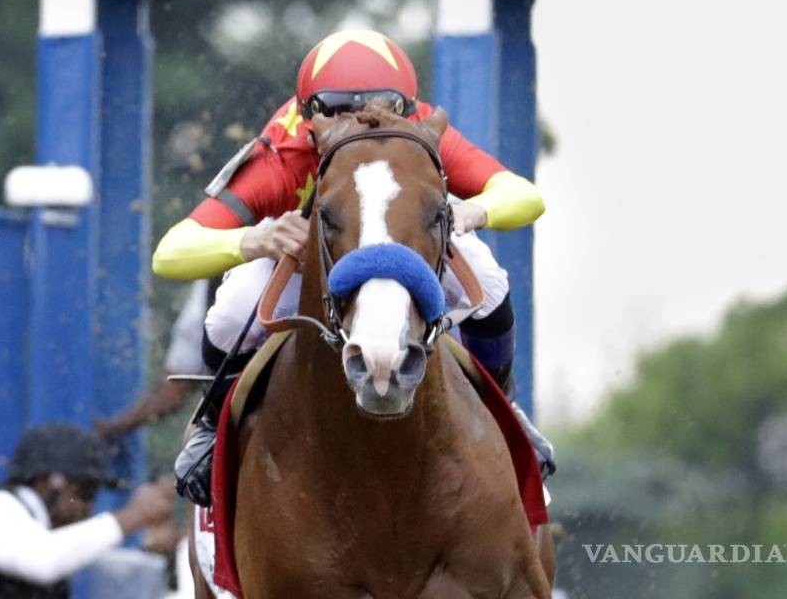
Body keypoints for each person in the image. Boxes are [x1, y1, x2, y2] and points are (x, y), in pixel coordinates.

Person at [151, 29, 556, 507]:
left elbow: (524, 195)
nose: (360, 122)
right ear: (307, 115)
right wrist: (254, 238)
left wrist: (470, 213)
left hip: (407, 244)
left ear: (407, 107)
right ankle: (213, 426)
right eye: (336, 109)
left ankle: (501, 407)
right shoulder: (284, 152)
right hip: (312, 255)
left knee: (487, 286)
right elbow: (172, 252)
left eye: (380, 105)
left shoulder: (423, 130)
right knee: (228, 315)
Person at [0, 423, 175, 598]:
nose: (88, 507)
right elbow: (45, 560)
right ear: (47, 483)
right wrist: (134, 516)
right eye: (84, 493)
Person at [94, 279, 214, 441]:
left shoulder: (214, 292)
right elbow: (172, 390)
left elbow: (172, 393)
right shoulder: (206, 298)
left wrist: (114, 428)